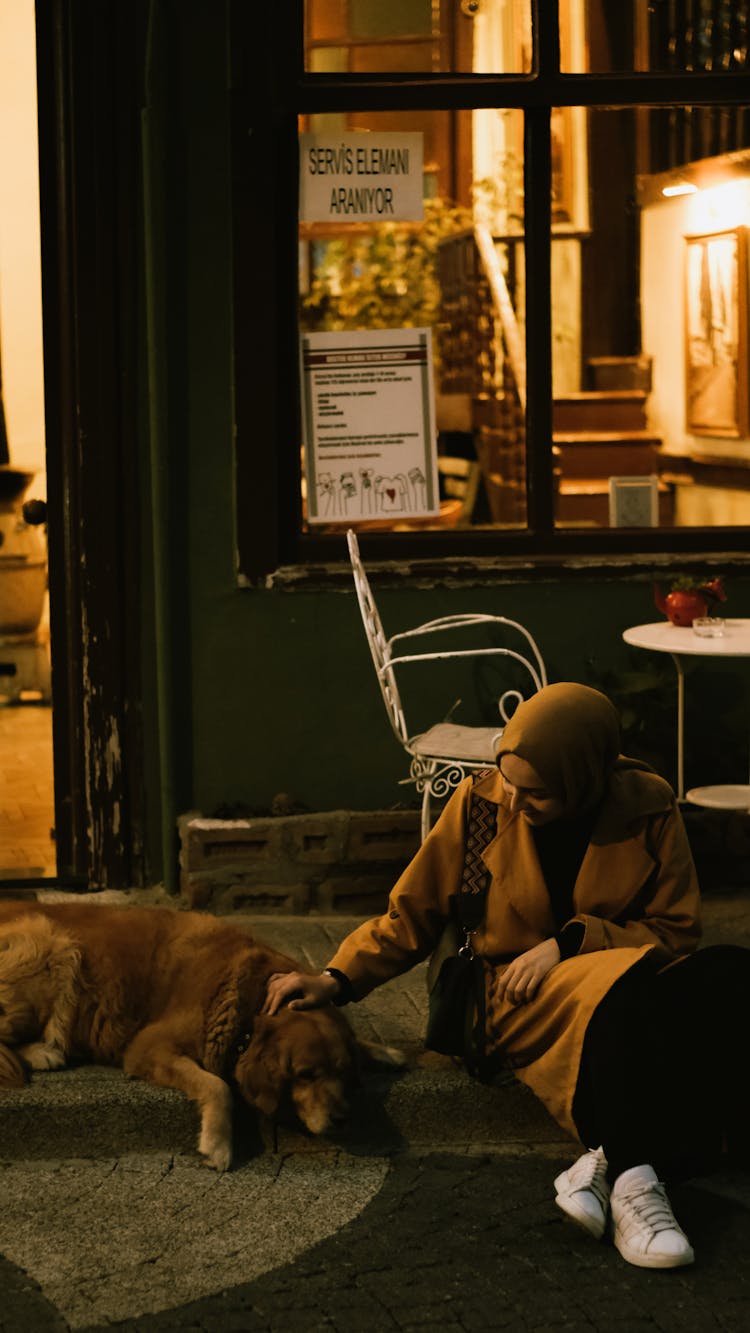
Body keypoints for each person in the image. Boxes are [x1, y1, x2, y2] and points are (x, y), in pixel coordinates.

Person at [264, 681, 750, 1270]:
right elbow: (410, 914)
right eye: (510, 780)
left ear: (584, 776)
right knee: (632, 993)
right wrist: (335, 979)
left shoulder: (646, 805)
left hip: (621, 985)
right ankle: (638, 1189)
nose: (516, 801)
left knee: (726, 973)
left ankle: (609, 1163)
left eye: (537, 792)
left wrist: (568, 944)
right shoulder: (480, 802)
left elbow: (675, 935)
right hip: (505, 996)